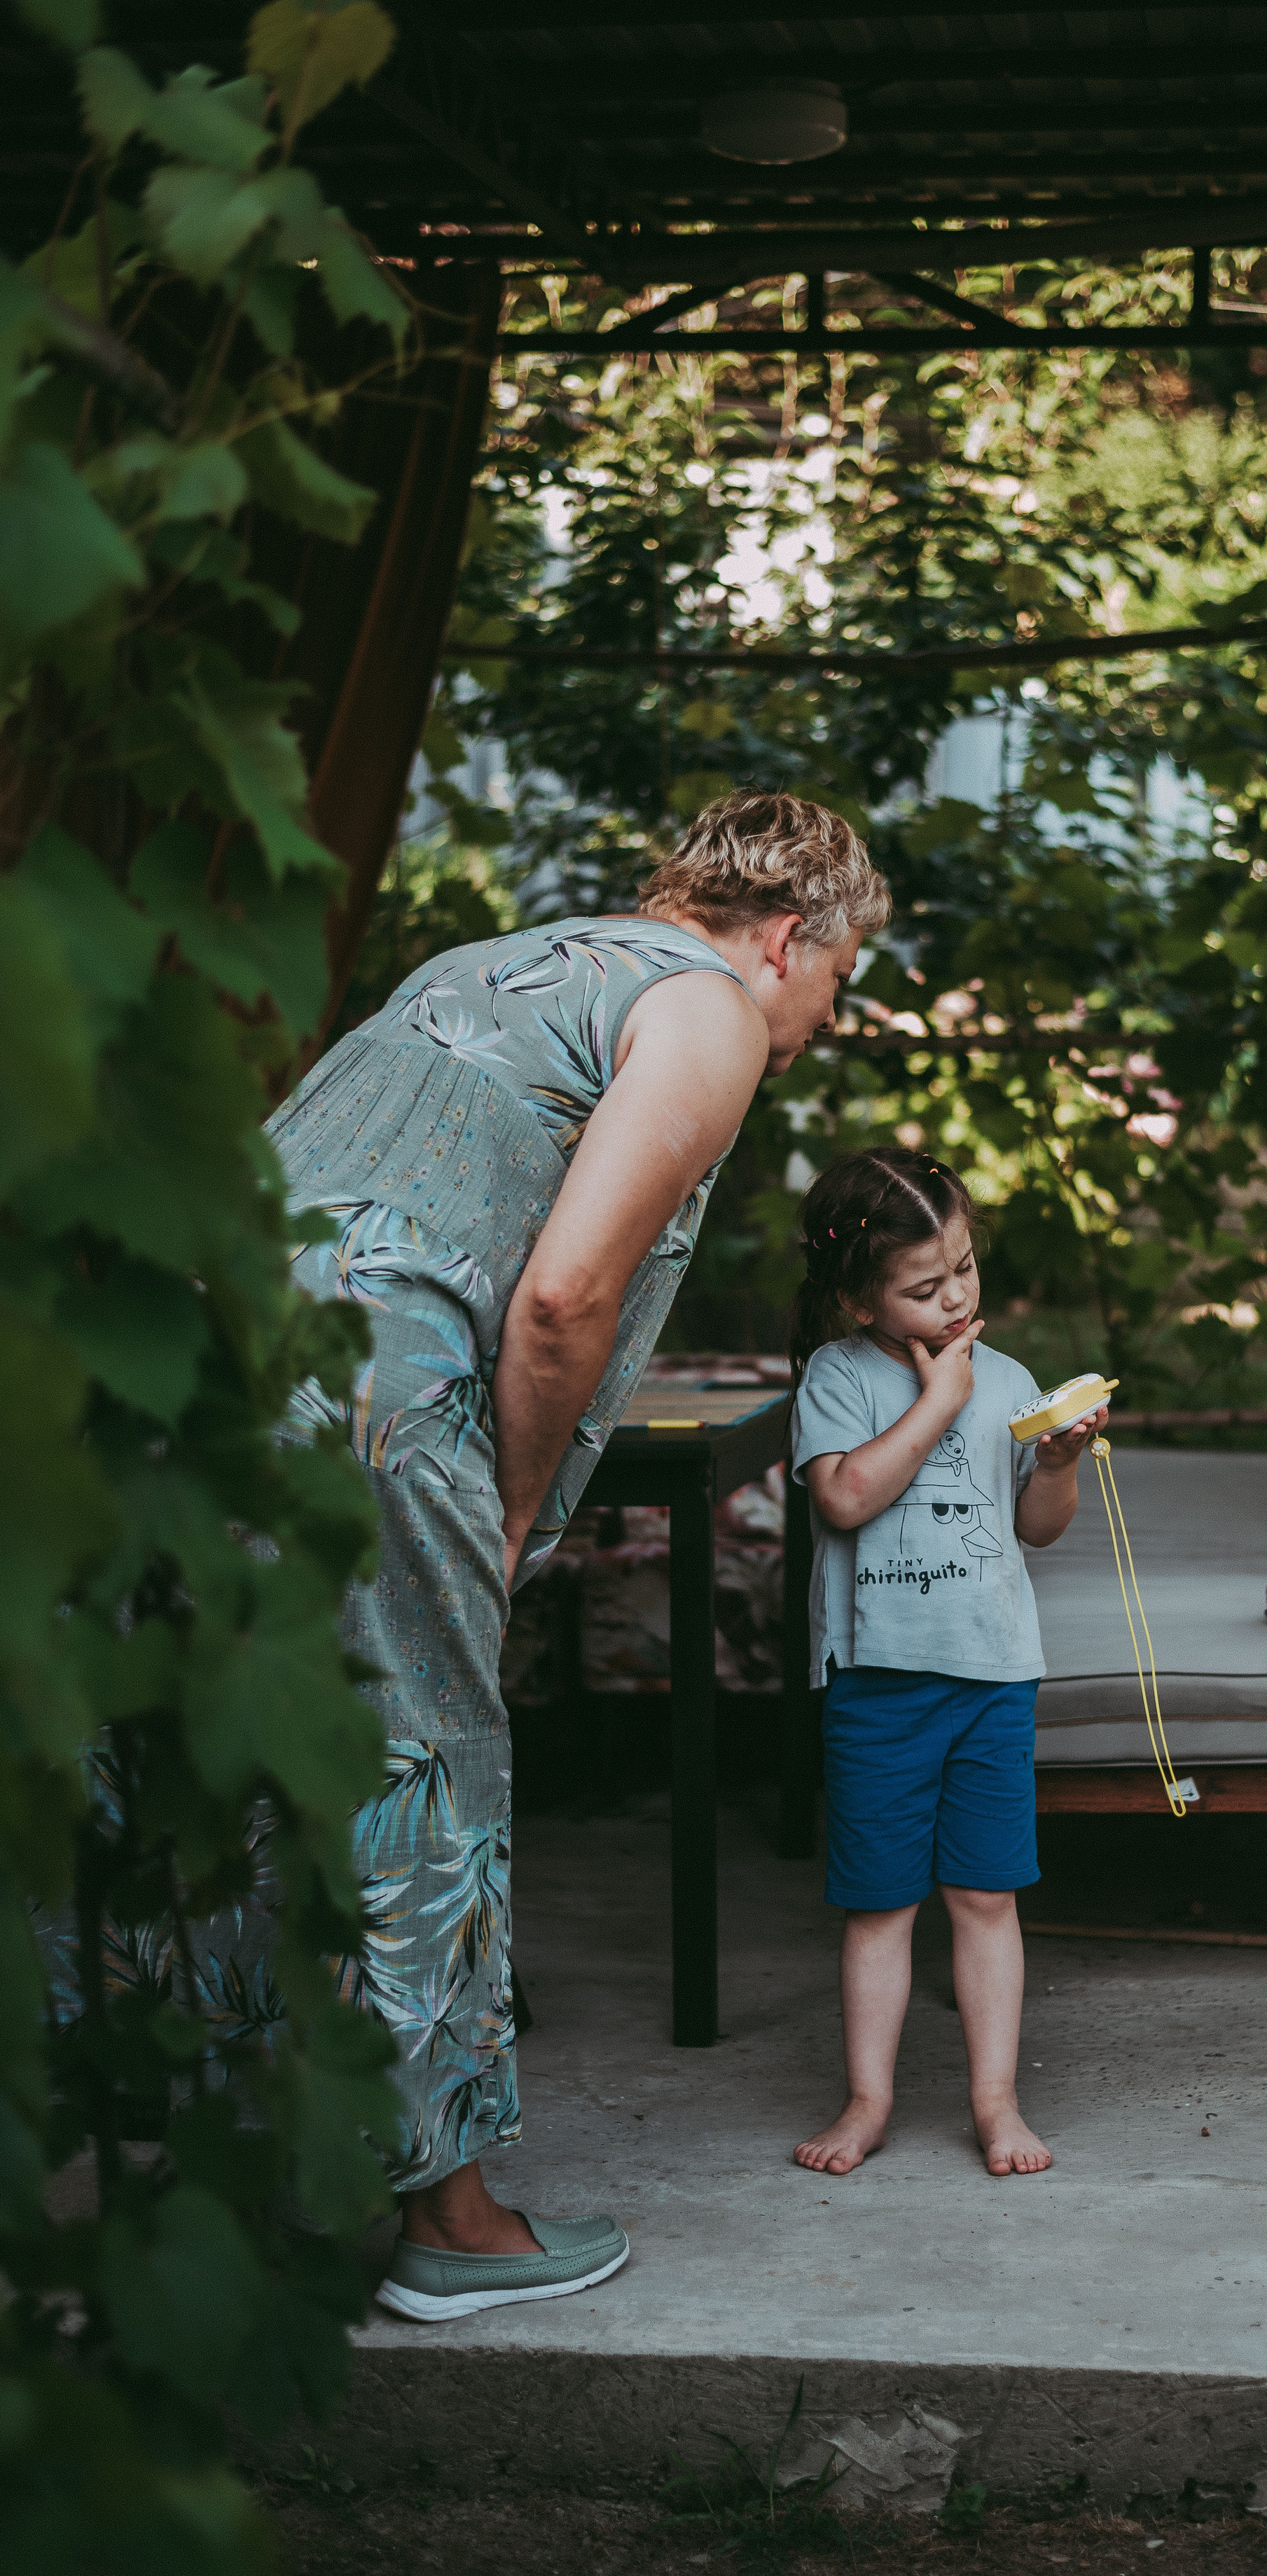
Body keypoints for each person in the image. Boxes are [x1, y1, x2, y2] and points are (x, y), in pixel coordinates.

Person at [272, 791, 888, 2318]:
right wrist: (509, 1516)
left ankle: (218, 2163)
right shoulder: (710, 1007)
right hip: (366, 1388)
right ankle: (449, 2224)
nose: (828, 1016)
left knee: (245, 1739)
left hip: (204, 1355)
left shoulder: (490, 963)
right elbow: (562, 1298)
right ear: (783, 938)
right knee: (420, 1758)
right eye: (839, 975)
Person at [785, 1148, 1106, 2180]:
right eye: (924, 1288)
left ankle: (995, 2102)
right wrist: (939, 1399)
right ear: (857, 1298)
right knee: (881, 1904)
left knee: (985, 1897)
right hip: (878, 1685)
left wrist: (1057, 1463)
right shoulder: (839, 1376)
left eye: (963, 1268)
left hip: (993, 1678)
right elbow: (844, 1496)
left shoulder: (1005, 1379)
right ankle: (869, 2101)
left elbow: (1036, 1528)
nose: (957, 1298)